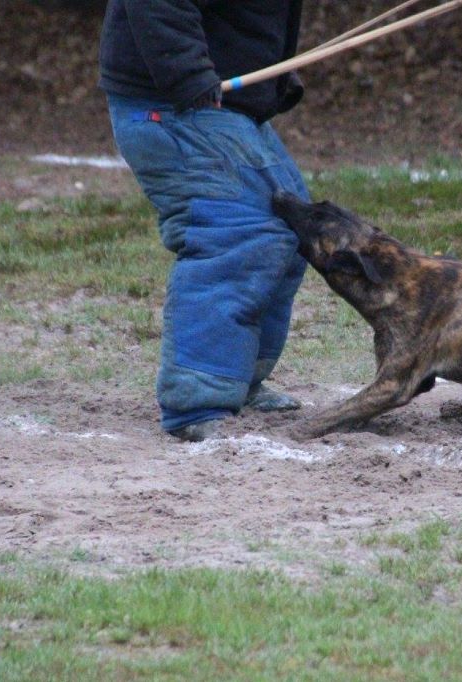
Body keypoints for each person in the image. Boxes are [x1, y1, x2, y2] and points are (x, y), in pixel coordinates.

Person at [99, 1, 309, 442]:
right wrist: (188, 73)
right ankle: (197, 401)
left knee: (293, 224)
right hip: (170, 104)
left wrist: (272, 73)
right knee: (239, 233)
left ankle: (237, 378)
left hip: (222, 106)